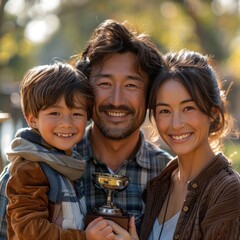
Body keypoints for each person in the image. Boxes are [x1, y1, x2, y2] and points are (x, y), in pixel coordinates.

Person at [74, 19, 173, 233]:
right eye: (104, 83)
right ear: (85, 90)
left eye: (131, 85)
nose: (117, 100)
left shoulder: (172, 177)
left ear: (150, 95)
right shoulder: (46, 167)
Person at [5, 62, 117, 240]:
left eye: (76, 114)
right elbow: (29, 231)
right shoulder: (31, 167)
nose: (66, 123)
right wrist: (84, 237)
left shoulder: (64, 161)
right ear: (32, 119)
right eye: (55, 113)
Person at [140, 49, 240, 239]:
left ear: (213, 114)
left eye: (188, 108)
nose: (176, 124)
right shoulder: (159, 184)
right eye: (164, 111)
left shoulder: (228, 191)